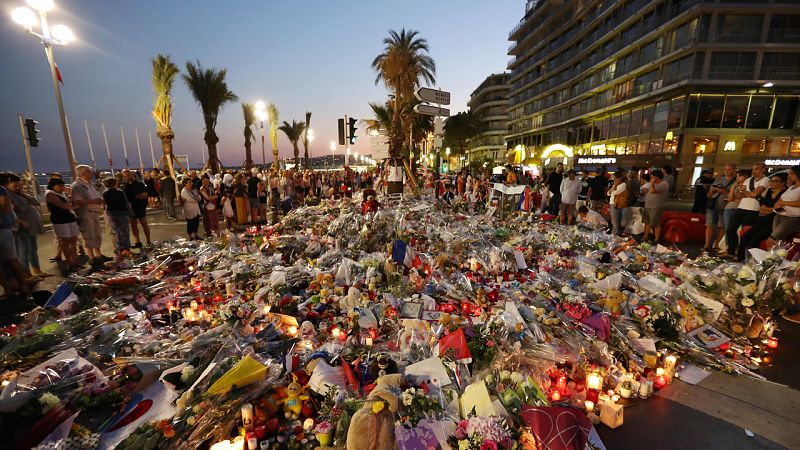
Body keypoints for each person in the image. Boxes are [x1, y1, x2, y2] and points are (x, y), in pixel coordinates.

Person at [5, 173, 48, 279]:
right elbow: (20, 209)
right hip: (22, 228)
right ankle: (26, 275)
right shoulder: (8, 196)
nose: (18, 187)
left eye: (19, 185)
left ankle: (37, 270)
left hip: (31, 226)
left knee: (33, 249)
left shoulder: (20, 194)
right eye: (15, 186)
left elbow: (36, 202)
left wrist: (23, 193)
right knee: (24, 252)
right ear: (7, 185)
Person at [737, 172, 787, 261]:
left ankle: (754, 261)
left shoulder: (784, 193)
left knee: (756, 239)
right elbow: (762, 208)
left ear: (782, 183)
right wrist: (770, 209)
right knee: (745, 237)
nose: (772, 183)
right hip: (763, 218)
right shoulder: (769, 192)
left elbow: (777, 209)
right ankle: (741, 260)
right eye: (771, 181)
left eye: (776, 181)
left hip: (774, 220)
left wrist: (769, 209)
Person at [725, 163, 769, 259]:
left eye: (757, 169)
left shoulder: (766, 180)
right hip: (741, 207)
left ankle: (742, 256)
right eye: (753, 169)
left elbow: (755, 194)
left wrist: (745, 192)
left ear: (763, 170)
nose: (754, 171)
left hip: (753, 209)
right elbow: (739, 196)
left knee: (745, 234)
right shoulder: (749, 180)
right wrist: (746, 193)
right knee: (730, 230)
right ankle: (731, 251)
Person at [71, 165, 110, 265]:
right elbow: (78, 201)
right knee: (89, 235)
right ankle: (91, 257)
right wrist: (94, 201)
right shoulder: (77, 186)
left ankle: (98, 254)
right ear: (83, 173)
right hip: (86, 213)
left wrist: (99, 200)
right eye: (89, 172)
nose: (91, 173)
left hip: (95, 212)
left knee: (97, 234)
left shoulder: (90, 184)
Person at [0, 173, 30, 297]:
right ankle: (8, 288)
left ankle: (23, 286)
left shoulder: (1, 190)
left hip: (2, 230)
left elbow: (5, 206)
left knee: (12, 259)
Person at [45, 178, 80, 271]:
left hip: (70, 218)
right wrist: (70, 200)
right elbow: (64, 206)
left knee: (73, 240)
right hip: (60, 220)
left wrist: (70, 199)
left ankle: (75, 262)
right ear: (53, 186)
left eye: (63, 186)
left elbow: (75, 205)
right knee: (66, 241)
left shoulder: (63, 194)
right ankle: (69, 263)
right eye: (60, 186)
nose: (62, 188)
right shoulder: (50, 194)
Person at [704, 164, 736, 254]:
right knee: (710, 224)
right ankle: (707, 245)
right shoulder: (718, 179)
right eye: (725, 169)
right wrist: (712, 190)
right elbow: (709, 194)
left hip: (725, 206)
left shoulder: (735, 181)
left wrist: (723, 191)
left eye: (729, 169)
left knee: (722, 226)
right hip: (713, 204)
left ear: (733, 170)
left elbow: (734, 194)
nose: (726, 171)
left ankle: (717, 244)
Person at [102, 177, 132, 260]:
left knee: (117, 232)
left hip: (112, 214)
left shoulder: (105, 193)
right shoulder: (120, 192)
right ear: (115, 184)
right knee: (125, 231)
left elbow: (104, 206)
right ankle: (126, 248)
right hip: (122, 213)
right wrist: (130, 212)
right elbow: (126, 203)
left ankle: (119, 249)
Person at [123, 170, 152, 248]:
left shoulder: (140, 184)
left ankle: (149, 241)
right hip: (131, 208)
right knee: (133, 225)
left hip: (140, 206)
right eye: (125, 176)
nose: (127, 178)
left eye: (128, 176)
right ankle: (137, 242)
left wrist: (138, 196)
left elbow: (146, 195)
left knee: (144, 224)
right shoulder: (125, 186)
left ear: (132, 175)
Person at [642, 169, 669, 243]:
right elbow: (648, 192)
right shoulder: (653, 183)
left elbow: (653, 191)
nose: (651, 179)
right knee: (647, 223)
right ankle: (645, 237)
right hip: (648, 206)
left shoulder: (664, 184)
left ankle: (657, 239)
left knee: (656, 224)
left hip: (656, 206)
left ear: (656, 177)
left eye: (652, 177)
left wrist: (652, 184)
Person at [608, 171, 627, 236]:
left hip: (616, 204)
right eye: (614, 178)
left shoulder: (623, 184)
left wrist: (615, 186)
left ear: (620, 178)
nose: (614, 179)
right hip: (611, 203)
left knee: (615, 220)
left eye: (615, 178)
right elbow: (608, 193)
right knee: (613, 220)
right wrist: (614, 187)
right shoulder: (615, 184)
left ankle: (614, 234)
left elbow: (615, 193)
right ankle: (616, 233)